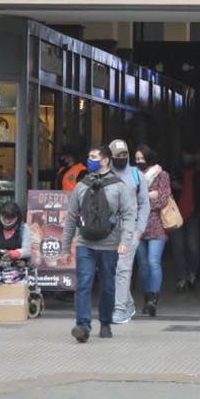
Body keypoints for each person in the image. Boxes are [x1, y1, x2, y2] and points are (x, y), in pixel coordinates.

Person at [62, 145, 137, 343]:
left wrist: (126, 241)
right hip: (84, 243)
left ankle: (105, 322)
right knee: (84, 283)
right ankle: (83, 325)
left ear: (105, 161)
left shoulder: (118, 186)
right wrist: (65, 247)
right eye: (89, 156)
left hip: (110, 244)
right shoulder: (82, 185)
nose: (90, 160)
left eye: (94, 156)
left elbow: (129, 214)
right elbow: (71, 218)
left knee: (107, 286)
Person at [108, 139, 149, 325]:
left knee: (123, 268)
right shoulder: (104, 174)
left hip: (130, 229)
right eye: (117, 155)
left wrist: (139, 230)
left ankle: (120, 309)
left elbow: (144, 204)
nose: (121, 158)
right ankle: (129, 304)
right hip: (109, 230)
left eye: (124, 154)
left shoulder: (136, 175)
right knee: (111, 269)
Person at [132, 144, 170, 317]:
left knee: (154, 261)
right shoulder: (132, 175)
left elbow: (163, 199)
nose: (139, 161)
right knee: (143, 265)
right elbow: (128, 199)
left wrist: (143, 198)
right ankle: (146, 298)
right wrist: (149, 195)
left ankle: (154, 299)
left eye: (142, 158)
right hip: (137, 226)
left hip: (157, 226)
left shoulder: (162, 175)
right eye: (137, 159)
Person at [168, 146, 200, 292]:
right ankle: (181, 279)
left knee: (193, 247)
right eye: (186, 154)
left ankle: (192, 273)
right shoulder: (174, 172)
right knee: (178, 248)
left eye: (191, 154)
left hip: (193, 214)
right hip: (175, 213)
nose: (188, 157)